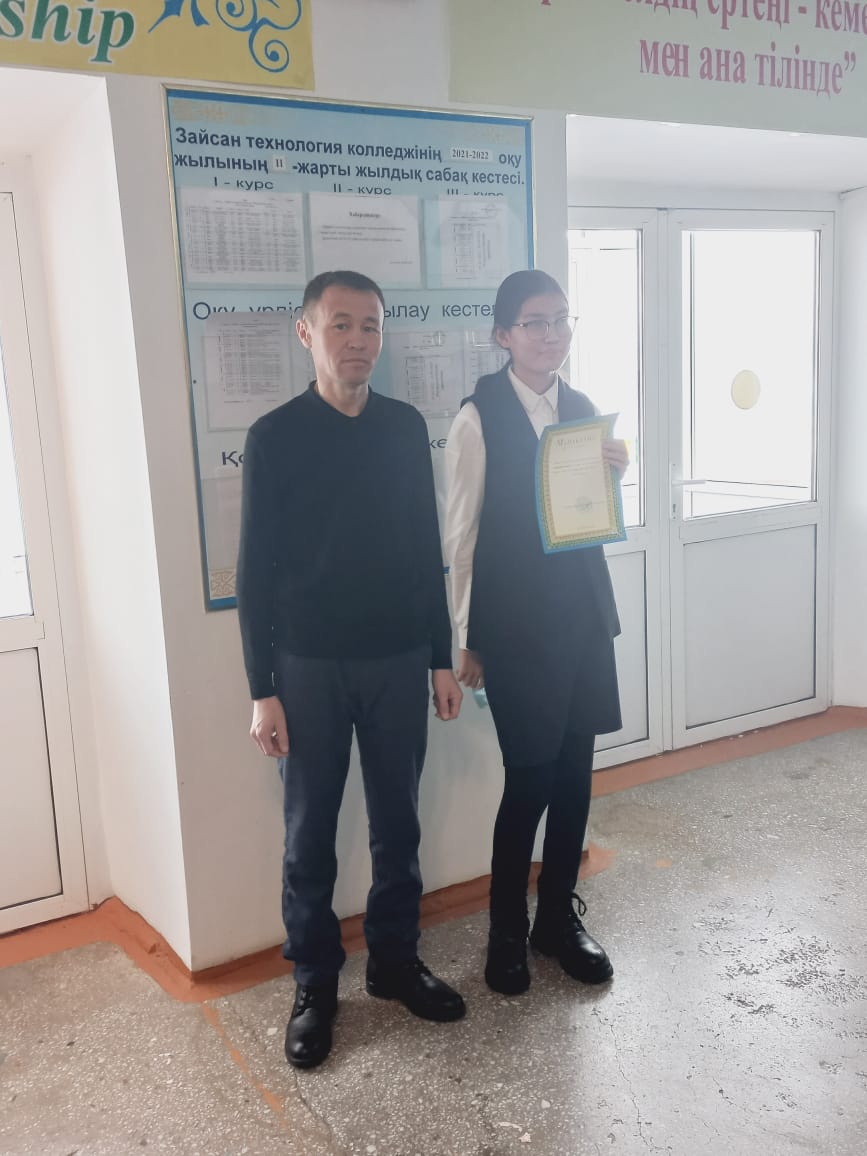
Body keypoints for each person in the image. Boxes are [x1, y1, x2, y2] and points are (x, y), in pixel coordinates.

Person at [237, 270, 465, 1070]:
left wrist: (439, 658)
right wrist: (261, 690)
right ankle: (314, 984)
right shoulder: (274, 436)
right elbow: (254, 573)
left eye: (370, 325)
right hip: (306, 667)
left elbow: (424, 552)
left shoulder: (403, 427)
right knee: (309, 833)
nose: (358, 340)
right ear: (306, 332)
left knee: (398, 823)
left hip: (397, 658)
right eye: (340, 324)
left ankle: (394, 963)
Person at [444, 269, 628, 997]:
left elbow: (584, 517)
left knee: (575, 777)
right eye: (534, 323)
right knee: (528, 781)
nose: (551, 335)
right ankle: (505, 932)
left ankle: (555, 920)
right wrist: (466, 637)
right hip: (517, 629)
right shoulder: (477, 417)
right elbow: (460, 537)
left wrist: (614, 476)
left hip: (581, 619)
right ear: (503, 335)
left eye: (560, 319)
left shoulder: (582, 410)